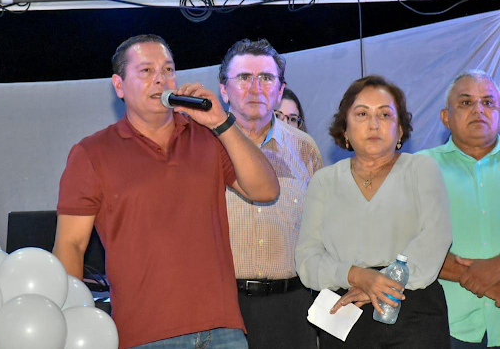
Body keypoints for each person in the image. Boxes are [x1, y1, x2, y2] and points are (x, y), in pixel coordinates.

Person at [53, 34, 279, 349]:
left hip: (222, 328)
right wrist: (72, 322)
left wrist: (222, 122)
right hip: (145, 335)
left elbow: (266, 190)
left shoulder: (208, 136)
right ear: (119, 86)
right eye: (146, 70)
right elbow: (71, 245)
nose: (161, 78)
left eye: (168, 69)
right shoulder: (92, 153)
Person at [295, 75, 452, 348]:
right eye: (362, 114)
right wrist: (357, 276)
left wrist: (380, 284)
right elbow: (307, 260)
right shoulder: (323, 181)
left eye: (385, 114)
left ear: (400, 130)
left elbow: (435, 239)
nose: (373, 124)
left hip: (412, 308)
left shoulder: (422, 169)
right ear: (345, 129)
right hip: (343, 312)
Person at [218, 39, 322, 348]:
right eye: (244, 77)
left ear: (279, 90)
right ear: (224, 90)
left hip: (293, 307)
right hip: (224, 309)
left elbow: (322, 230)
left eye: (266, 78)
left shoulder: (305, 148)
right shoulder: (202, 148)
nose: (255, 88)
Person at [418, 70, 500, 348]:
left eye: (488, 102)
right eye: (466, 102)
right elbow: (403, 242)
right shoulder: (419, 168)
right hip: (447, 326)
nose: (479, 109)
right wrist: (482, 279)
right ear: (445, 117)